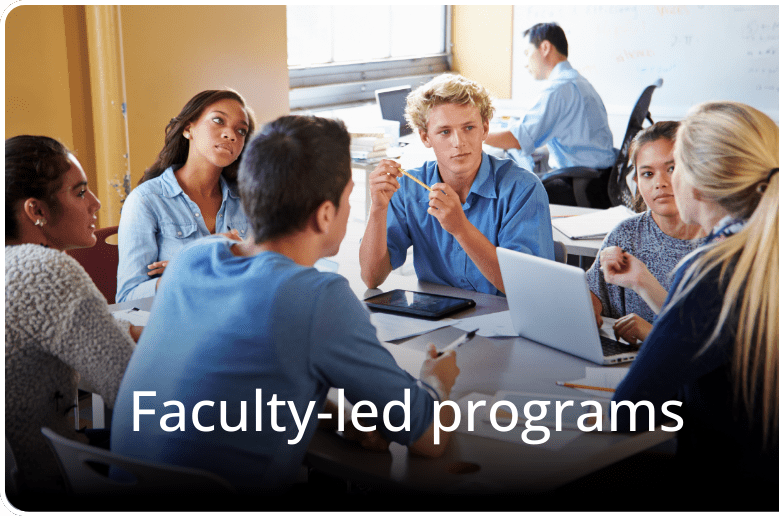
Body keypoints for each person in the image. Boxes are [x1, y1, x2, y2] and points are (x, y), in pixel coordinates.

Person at [110, 116, 460, 494]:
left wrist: (337, 417)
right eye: (347, 199)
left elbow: (237, 376)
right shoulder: (317, 296)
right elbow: (429, 438)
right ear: (326, 214)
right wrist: (437, 381)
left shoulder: (190, 260)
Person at [613, 102, 779, 509]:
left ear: (697, 184)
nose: (666, 181)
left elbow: (629, 412)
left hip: (724, 491)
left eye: (674, 167)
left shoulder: (710, 269)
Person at [5, 136, 137, 493]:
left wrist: (123, 328)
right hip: (50, 481)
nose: (95, 204)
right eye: (80, 193)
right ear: (36, 211)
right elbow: (133, 391)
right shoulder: (46, 271)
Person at [360, 73, 554, 296]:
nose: (458, 143)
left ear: (485, 128)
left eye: (469, 128)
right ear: (425, 138)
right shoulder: (409, 189)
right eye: (444, 132)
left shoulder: (522, 189)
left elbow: (526, 288)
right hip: (438, 319)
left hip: (506, 321)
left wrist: (461, 228)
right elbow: (371, 277)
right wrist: (377, 209)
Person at [115, 89, 256, 302]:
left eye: (241, 131)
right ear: (188, 129)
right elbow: (128, 298)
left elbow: (266, 275)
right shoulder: (146, 200)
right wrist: (187, 268)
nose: (231, 135)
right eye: (218, 120)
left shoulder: (249, 201)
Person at [587, 121, 705, 344]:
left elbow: (715, 349)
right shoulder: (626, 234)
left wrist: (653, 334)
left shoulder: (721, 243)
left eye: (671, 169)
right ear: (636, 182)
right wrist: (585, 308)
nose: (659, 183)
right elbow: (593, 295)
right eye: (648, 174)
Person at [484, 23, 615, 205]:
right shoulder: (577, 81)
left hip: (580, 185)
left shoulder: (558, 89)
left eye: (527, 53)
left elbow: (516, 139)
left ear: (545, 48)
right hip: (598, 182)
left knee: (504, 195)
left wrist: (473, 133)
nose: (525, 62)